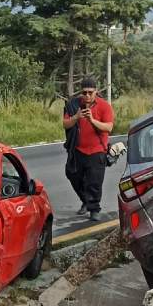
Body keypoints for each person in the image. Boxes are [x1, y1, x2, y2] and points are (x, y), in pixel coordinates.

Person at [61, 77, 114, 221]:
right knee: (72, 175)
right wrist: (76, 117)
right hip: (77, 150)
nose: (88, 96)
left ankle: (94, 209)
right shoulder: (73, 105)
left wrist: (92, 120)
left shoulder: (104, 106)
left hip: (97, 151)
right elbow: (65, 124)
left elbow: (108, 127)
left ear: (96, 91)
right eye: (84, 92)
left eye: (91, 92)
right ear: (81, 92)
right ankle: (85, 200)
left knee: (94, 182)